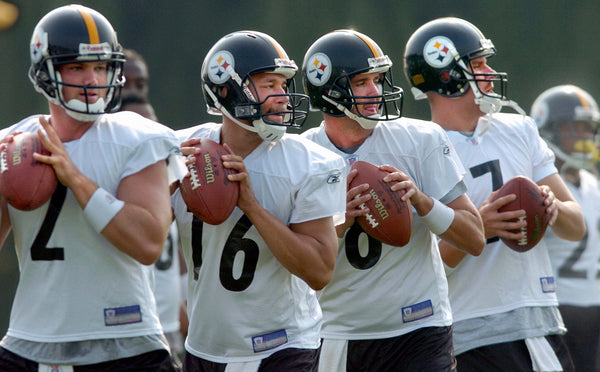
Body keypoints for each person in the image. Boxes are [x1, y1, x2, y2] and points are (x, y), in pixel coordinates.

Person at [0, 5, 184, 370]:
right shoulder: (13, 144)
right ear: (45, 72)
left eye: (100, 67)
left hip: (127, 345)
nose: (91, 79)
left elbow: (148, 243)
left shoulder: (135, 137)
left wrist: (77, 181)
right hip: (31, 342)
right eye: (77, 67)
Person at [404, 17, 586, 371]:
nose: (490, 71)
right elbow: (418, 271)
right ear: (447, 75)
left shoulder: (518, 129)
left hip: (536, 318)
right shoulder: (415, 149)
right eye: (478, 64)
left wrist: (551, 208)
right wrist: (476, 230)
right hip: (465, 327)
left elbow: (575, 225)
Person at [301, 29, 485, 372]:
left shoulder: (420, 139)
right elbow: (298, 268)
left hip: (420, 329)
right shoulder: (302, 156)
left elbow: (474, 238)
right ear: (328, 91)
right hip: (340, 333)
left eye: (378, 79)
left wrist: (421, 201)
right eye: (361, 82)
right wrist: (339, 221)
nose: (376, 91)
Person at [171, 30, 346, 371]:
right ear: (227, 88)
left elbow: (320, 270)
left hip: (283, 347)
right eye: (269, 85)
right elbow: (147, 238)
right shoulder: (181, 149)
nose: (282, 97)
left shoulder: (310, 163)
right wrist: (166, 180)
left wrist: (251, 206)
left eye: (283, 86)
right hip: (204, 347)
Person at [530, 84, 600, 371]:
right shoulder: (537, 187)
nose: (584, 137)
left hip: (595, 306)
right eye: (575, 128)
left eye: (588, 129)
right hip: (557, 306)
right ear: (549, 130)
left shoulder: (594, 183)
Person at [120, 93, 189, 368]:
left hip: (169, 326)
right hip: (134, 327)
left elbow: (174, 265)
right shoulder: (123, 195)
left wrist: (186, 316)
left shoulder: (167, 189)